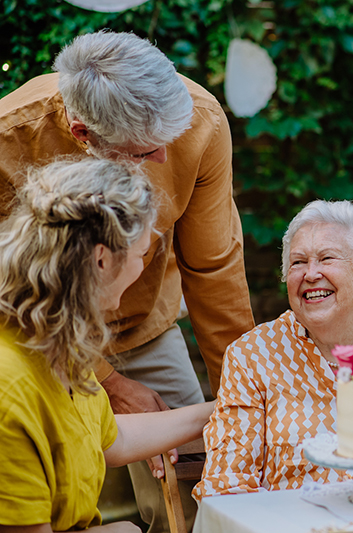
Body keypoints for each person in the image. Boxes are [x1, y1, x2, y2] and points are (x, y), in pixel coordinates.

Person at [0, 31, 254, 530]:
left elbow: (215, 267)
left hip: (144, 330)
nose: (163, 161)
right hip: (31, 330)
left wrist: (242, 393)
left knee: (194, 485)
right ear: (82, 133)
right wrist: (106, 379)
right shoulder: (8, 138)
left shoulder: (201, 120)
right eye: (143, 151)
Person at [0, 159, 215, 532]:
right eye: (140, 255)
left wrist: (221, 410)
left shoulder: (56, 341)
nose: (142, 268)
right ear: (101, 259)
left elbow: (115, 439)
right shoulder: (10, 390)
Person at [193, 200, 353, 497]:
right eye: (298, 262)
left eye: (326, 258)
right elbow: (228, 482)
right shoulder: (253, 356)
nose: (310, 274)